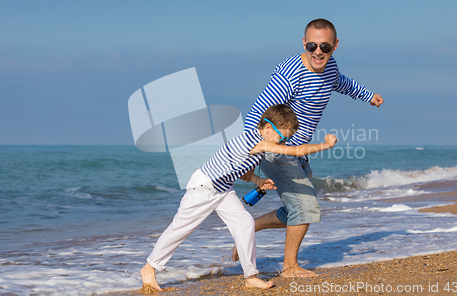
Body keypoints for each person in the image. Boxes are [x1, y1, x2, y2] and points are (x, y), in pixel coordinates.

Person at [234, 18, 384, 278]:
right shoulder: (289, 76)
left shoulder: (330, 67)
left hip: (299, 151)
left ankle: (250, 226)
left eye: (325, 47)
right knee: (306, 208)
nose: (318, 52)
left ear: (335, 46)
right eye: (312, 45)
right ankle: (289, 267)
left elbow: (341, 82)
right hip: (277, 152)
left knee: (295, 210)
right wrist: (247, 153)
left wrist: (367, 95)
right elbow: (258, 114)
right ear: (304, 42)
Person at [140, 104, 338, 291]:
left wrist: (258, 180)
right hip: (204, 188)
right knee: (181, 229)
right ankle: (150, 267)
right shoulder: (257, 142)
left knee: (245, 223)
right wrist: (326, 144)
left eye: (285, 139)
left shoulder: (258, 142)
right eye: (282, 138)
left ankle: (250, 277)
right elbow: (294, 151)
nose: (283, 143)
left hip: (223, 189)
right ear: (268, 129)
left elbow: (242, 172)